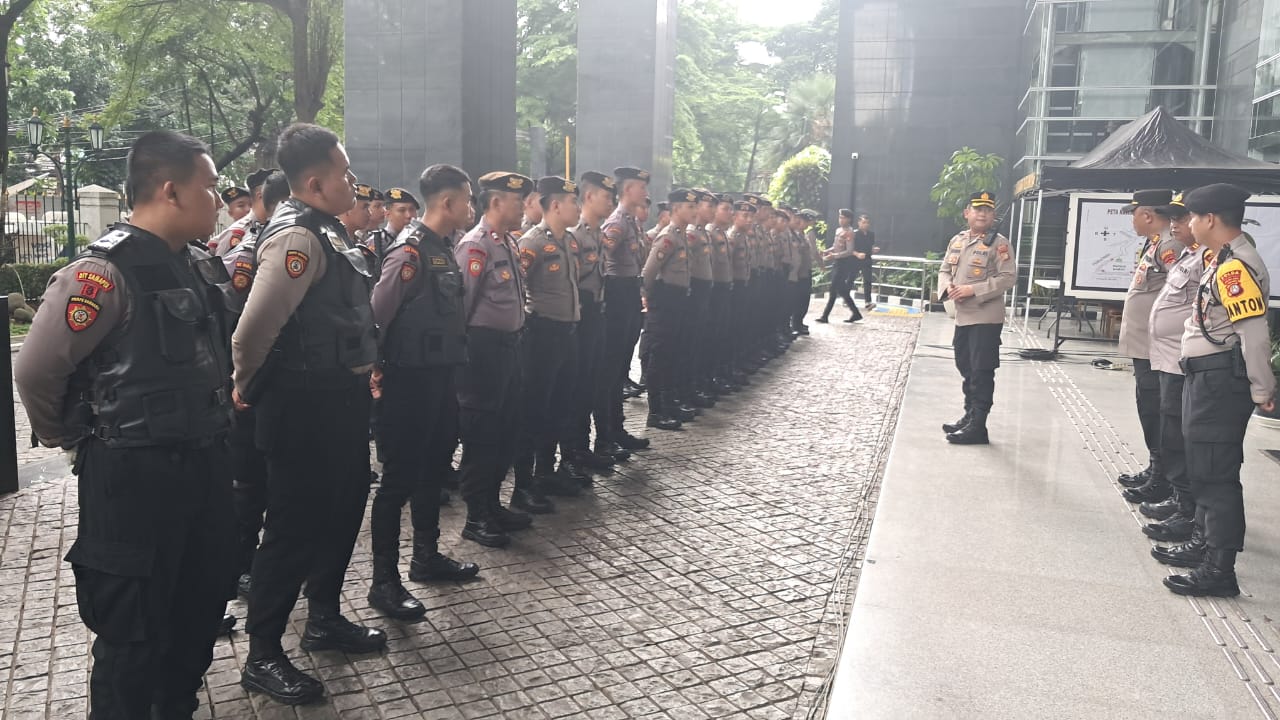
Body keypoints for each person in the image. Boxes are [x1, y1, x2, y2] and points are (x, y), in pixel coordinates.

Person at [14, 129, 237, 718]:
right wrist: (70, 437)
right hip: (133, 477)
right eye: (210, 187)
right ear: (170, 190)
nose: (219, 199)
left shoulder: (198, 264)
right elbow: (36, 372)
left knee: (198, 610)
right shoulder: (101, 275)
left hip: (204, 465)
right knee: (133, 634)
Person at [232, 123, 384, 705]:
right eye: (344, 172)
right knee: (292, 529)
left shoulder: (330, 230)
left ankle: (323, 618)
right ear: (316, 182)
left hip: (339, 399)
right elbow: (252, 331)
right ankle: (263, 653)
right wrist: (244, 387)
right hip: (301, 407)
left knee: (343, 510)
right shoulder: (296, 237)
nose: (353, 180)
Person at [366, 164, 480, 621]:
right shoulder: (409, 251)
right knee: (398, 481)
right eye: (467, 199)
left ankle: (426, 557)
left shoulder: (443, 247)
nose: (471, 207)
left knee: (433, 469)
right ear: (448, 202)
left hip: (439, 378)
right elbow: (377, 315)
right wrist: (375, 370)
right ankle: (383, 582)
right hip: (407, 383)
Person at [1156, 184, 1275, 597]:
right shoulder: (1222, 260)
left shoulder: (1234, 269)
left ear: (1209, 219)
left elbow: (1254, 333)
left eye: (1192, 216)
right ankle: (1205, 543)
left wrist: (1262, 388)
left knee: (1215, 473)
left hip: (1219, 382)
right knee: (1203, 467)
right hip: (1206, 378)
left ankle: (1219, 569)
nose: (1188, 223)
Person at [454, 171, 535, 548]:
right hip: (483, 352)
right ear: (497, 202)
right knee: (483, 435)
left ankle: (492, 505)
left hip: (511, 348)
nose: (523, 208)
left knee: (507, 430)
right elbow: (462, 308)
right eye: (518, 201)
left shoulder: (508, 242)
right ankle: (476, 516)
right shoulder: (476, 246)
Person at [221, 170, 290, 603]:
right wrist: (240, 382)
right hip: (247, 387)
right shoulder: (246, 252)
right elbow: (232, 326)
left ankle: (267, 562)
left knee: (274, 481)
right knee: (247, 485)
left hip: (278, 382)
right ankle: (240, 566)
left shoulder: (287, 242)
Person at [514, 176, 585, 508]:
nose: (578, 208)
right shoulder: (532, 243)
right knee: (533, 409)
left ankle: (546, 472)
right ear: (555, 205)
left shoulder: (568, 240)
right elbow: (518, 288)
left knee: (560, 405)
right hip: (541, 334)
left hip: (567, 333)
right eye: (573, 202)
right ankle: (523, 484)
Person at [1138, 193, 1203, 545]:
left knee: (1178, 432)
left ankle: (1187, 506)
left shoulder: (1208, 260)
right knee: (1168, 426)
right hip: (1166, 356)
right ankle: (1179, 497)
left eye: (1182, 218)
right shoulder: (1189, 256)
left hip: (1182, 358)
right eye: (1173, 218)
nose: (1175, 225)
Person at [1114, 190, 1181, 504]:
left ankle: (1163, 477)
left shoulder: (1170, 246)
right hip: (1146, 345)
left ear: (1148, 215)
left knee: (1157, 410)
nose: (1132, 221)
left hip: (1157, 346)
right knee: (1148, 406)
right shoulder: (1157, 243)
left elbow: (1177, 298)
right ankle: (1156, 466)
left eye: (1134, 214)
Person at [937, 190, 1016, 445]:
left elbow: (1008, 277)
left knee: (982, 371)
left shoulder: (999, 244)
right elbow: (944, 270)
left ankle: (978, 426)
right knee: (966, 366)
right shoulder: (958, 240)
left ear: (993, 216)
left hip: (986, 317)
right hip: (962, 317)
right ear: (967, 213)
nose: (982, 214)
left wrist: (973, 290)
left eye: (987, 210)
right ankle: (969, 415)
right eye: (977, 209)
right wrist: (948, 287)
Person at [565, 171, 620, 473]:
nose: (611, 202)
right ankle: (572, 452)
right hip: (580, 313)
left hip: (597, 310)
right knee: (576, 385)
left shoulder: (598, 233)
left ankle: (583, 447)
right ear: (588, 197)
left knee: (591, 382)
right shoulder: (574, 234)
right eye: (606, 197)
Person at [599, 167, 653, 453]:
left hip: (630, 291)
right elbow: (601, 260)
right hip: (617, 294)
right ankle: (605, 436)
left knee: (621, 367)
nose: (645, 193)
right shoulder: (617, 222)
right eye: (641, 187)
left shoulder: (633, 222)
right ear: (629, 189)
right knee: (610, 371)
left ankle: (617, 430)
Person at [642, 189, 697, 430]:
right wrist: (646, 298)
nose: (694, 211)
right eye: (689, 207)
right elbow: (649, 271)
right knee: (661, 355)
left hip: (678, 301)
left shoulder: (681, 235)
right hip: (665, 302)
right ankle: (655, 411)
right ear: (676, 209)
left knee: (673, 353)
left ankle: (668, 403)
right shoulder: (668, 237)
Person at [210, 169, 277, 256]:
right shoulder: (236, 232)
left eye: (250, 204)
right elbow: (220, 262)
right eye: (241, 206)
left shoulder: (268, 224)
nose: (248, 209)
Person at [817, 209, 862, 323]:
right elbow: (836, 246)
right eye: (840, 217)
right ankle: (856, 313)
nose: (841, 220)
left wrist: (835, 255)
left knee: (833, 288)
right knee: (842, 291)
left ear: (849, 219)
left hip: (844, 263)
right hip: (837, 262)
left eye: (843, 218)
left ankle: (825, 315)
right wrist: (827, 251)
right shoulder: (838, 230)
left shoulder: (849, 232)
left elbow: (849, 251)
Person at [792, 209, 820, 334]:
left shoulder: (802, 235)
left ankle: (799, 322)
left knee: (804, 300)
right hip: (799, 273)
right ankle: (795, 323)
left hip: (805, 271)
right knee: (798, 300)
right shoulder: (797, 235)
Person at [850, 213, 880, 310]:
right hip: (855, 259)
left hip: (867, 259)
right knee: (851, 279)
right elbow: (849, 249)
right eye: (863, 222)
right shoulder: (854, 233)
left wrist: (873, 250)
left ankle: (868, 302)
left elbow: (870, 247)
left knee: (868, 280)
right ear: (859, 223)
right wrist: (857, 254)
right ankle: (846, 297)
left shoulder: (871, 234)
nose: (865, 224)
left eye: (867, 223)